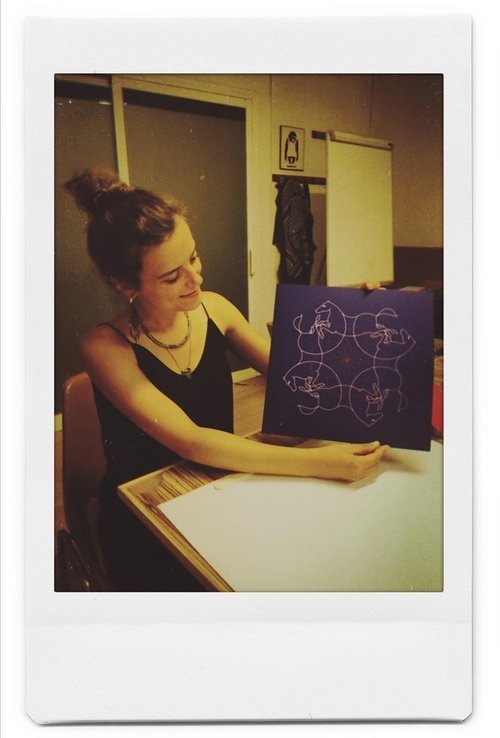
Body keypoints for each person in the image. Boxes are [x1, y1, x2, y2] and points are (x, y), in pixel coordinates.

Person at [64, 168, 389, 591]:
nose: (196, 278)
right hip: (147, 509)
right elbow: (192, 441)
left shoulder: (214, 308)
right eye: (172, 276)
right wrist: (322, 464)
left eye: (194, 257)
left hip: (220, 481)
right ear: (125, 284)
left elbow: (299, 374)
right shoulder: (104, 347)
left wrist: (360, 321)